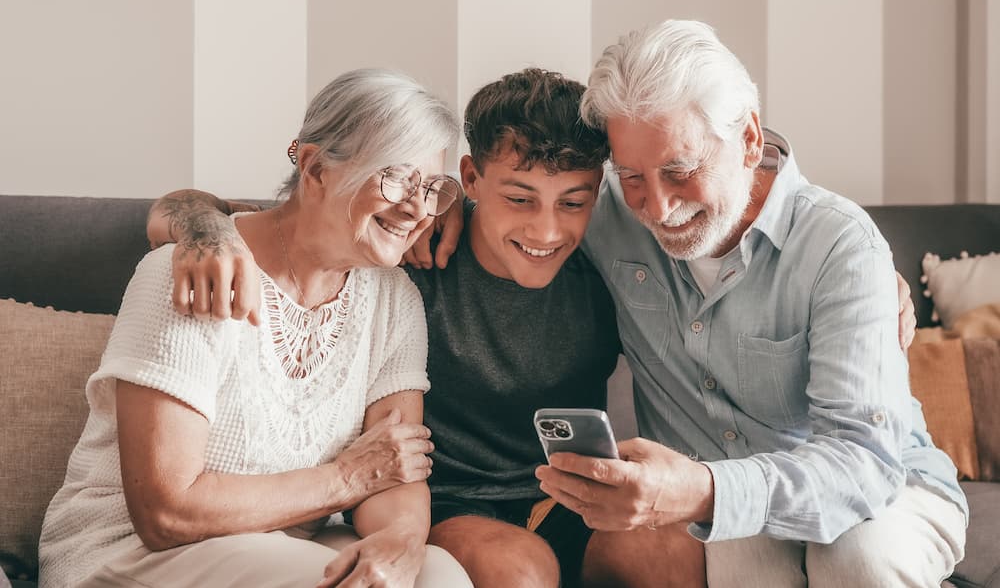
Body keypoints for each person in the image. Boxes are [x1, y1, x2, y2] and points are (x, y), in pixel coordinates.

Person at [145, 67, 918, 588]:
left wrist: (869, 280)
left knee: (679, 557)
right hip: (448, 504)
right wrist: (204, 229)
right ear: (470, 180)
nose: (548, 229)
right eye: (519, 198)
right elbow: (251, 213)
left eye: (574, 200)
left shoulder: (616, 259)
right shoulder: (407, 242)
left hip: (575, 498)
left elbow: (733, 236)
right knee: (520, 571)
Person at [530, 20, 968, 587]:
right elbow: (511, 208)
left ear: (749, 141)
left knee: (858, 558)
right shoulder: (605, 211)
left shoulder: (841, 245)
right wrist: (433, 213)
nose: (657, 208)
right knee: (741, 565)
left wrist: (703, 489)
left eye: (680, 171)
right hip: (722, 507)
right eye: (631, 174)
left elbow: (865, 466)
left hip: (887, 490)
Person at [38, 68, 473, 588]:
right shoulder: (201, 270)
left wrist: (399, 543)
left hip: (288, 546)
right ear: (314, 168)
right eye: (397, 177)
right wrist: (345, 478)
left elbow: (394, 470)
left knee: (439, 574)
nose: (418, 208)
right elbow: (166, 513)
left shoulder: (394, 299)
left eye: (431, 187)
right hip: (134, 551)